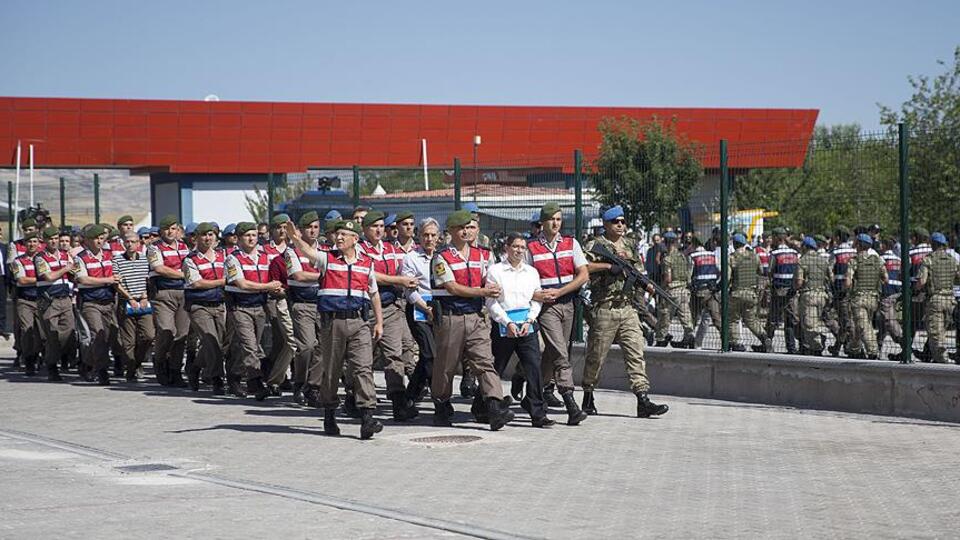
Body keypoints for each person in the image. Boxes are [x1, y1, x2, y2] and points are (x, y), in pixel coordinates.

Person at [285, 218, 385, 440]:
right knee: (331, 369)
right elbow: (308, 253)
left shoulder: (366, 263)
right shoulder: (327, 259)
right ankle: (329, 412)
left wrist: (379, 322)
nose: (338, 238)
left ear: (354, 239)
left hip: (359, 322)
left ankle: (367, 416)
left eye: (343, 235)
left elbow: (374, 293)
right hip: (332, 323)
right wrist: (295, 238)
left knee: (363, 368)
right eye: (337, 234)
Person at [430, 209, 514, 430]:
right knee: (446, 366)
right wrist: (483, 292)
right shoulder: (441, 257)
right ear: (451, 231)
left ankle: (495, 407)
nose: (466, 231)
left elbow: (490, 279)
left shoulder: (483, 254)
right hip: (451, 318)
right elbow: (452, 287)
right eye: (461, 228)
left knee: (485, 362)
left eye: (469, 227)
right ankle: (441, 403)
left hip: (477, 317)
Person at [583, 206, 669, 418]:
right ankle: (587, 396)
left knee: (636, 353)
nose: (620, 225)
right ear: (605, 224)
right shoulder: (596, 245)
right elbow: (583, 267)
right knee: (596, 356)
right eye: (615, 222)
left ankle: (642, 398)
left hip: (627, 307)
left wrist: (645, 284)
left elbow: (637, 271)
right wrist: (607, 267)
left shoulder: (630, 245)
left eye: (622, 221)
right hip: (604, 307)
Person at [525, 202, 589, 425]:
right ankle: (571, 402)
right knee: (561, 354)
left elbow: (583, 274)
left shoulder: (572, 244)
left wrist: (562, 290)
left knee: (553, 355)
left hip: (568, 303)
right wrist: (538, 295)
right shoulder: (530, 248)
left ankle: (533, 393)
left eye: (559, 219)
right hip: (547, 308)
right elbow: (523, 278)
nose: (555, 223)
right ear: (542, 222)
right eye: (551, 219)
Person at [487, 232, 554, 427]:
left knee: (533, 367)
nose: (519, 250)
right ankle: (483, 407)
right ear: (506, 248)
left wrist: (530, 320)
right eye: (515, 246)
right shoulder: (495, 271)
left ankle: (538, 413)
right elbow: (491, 302)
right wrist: (506, 322)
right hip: (504, 327)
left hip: (527, 326)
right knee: (495, 369)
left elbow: (536, 298)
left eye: (522, 247)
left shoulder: (531, 272)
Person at [358, 210, 419, 421]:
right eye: (374, 226)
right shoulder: (359, 250)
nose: (379, 230)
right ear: (365, 229)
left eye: (382, 226)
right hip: (366, 311)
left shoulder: (392, 250)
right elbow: (370, 274)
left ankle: (397, 401)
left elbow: (407, 270)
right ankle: (354, 396)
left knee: (394, 355)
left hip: (391, 308)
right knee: (362, 359)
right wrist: (399, 280)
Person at [224, 222, 283, 399]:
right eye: (247, 236)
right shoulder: (232, 259)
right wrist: (267, 286)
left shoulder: (266, 257)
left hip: (259, 306)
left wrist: (277, 288)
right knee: (250, 347)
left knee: (252, 347)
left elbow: (274, 279)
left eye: (254, 235)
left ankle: (234, 376)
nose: (251, 239)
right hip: (240, 307)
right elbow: (242, 283)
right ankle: (255, 383)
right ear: (239, 239)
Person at [73, 224, 121, 384]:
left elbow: (118, 273)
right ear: (87, 241)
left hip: (108, 301)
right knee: (98, 334)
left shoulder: (110, 255)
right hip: (90, 302)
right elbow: (83, 279)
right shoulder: (80, 258)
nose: (99, 241)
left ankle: (87, 363)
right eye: (95, 239)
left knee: (107, 337)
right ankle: (102, 371)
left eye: (102, 238)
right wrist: (107, 280)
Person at [182, 222, 227, 394]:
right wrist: (222, 282)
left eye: (211, 234)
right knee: (211, 341)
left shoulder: (223, 256)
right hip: (199, 306)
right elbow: (197, 283)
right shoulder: (190, 260)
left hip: (219, 304)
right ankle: (217, 379)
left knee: (219, 343)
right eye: (204, 235)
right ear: (196, 238)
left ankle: (195, 368)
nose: (208, 238)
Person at [147, 214, 191, 386]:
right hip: (163, 293)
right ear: (160, 231)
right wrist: (183, 274)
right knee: (166, 331)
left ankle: (175, 370)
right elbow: (159, 268)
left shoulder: (184, 246)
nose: (170, 232)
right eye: (167, 229)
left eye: (173, 228)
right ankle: (159, 362)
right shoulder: (154, 248)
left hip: (183, 292)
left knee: (181, 335)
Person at [400, 217, 439, 405]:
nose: (429, 239)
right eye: (425, 235)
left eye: (433, 235)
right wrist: (426, 308)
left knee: (428, 355)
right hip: (419, 309)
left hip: (440, 309)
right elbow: (410, 291)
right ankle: (439, 397)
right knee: (430, 353)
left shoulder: (443, 256)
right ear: (419, 236)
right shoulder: (411, 258)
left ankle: (410, 396)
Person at [284, 211, 322, 404]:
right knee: (307, 346)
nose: (313, 231)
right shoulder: (292, 251)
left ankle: (313, 386)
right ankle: (299, 381)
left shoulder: (324, 250)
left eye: (316, 227)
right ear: (300, 230)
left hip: (323, 303)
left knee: (323, 347)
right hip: (303, 304)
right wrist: (324, 275)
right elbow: (298, 275)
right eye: (309, 227)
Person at [34, 226, 77, 382]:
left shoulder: (66, 255)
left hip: (65, 298)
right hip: (49, 300)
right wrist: (65, 268)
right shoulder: (40, 257)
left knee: (69, 332)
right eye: (50, 239)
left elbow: (75, 272)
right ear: (45, 241)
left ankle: (59, 357)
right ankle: (52, 366)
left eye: (56, 238)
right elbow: (48, 276)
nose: (54, 241)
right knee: (52, 334)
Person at [261, 214, 296, 395]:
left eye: (286, 227)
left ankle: (287, 375)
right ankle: (275, 372)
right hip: (274, 298)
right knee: (280, 339)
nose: (282, 231)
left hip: (296, 299)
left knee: (292, 341)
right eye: (278, 227)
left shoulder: (299, 250)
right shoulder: (266, 251)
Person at [113, 232, 155, 381]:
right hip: (126, 302)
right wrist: (130, 298)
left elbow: (148, 280)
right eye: (127, 241)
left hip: (143, 301)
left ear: (139, 243)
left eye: (133, 241)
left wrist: (144, 296)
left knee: (148, 335)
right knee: (128, 340)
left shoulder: (145, 259)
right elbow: (116, 283)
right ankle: (131, 370)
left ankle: (137, 362)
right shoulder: (117, 260)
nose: (130, 244)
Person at [917, 232, 960, 363]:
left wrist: (916, 288)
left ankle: (943, 361)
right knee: (943, 331)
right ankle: (935, 356)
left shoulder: (928, 259)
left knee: (936, 333)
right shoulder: (953, 260)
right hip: (950, 300)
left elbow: (922, 282)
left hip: (935, 300)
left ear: (932, 244)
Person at [845, 234, 886, 359]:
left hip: (859, 298)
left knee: (863, 326)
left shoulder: (854, 260)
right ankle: (854, 349)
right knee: (861, 324)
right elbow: (886, 279)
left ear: (858, 245)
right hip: (873, 298)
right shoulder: (878, 260)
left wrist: (847, 290)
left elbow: (847, 282)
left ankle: (873, 351)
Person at [727, 233, 770, 353]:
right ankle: (765, 338)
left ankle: (736, 344)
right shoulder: (754, 256)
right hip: (751, 293)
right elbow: (761, 271)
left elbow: (727, 277)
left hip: (737, 293)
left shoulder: (732, 258)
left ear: (734, 244)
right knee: (751, 320)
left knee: (733, 319)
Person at [794, 236, 833, 356]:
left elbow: (799, 282)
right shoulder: (823, 260)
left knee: (809, 325)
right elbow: (831, 278)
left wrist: (796, 287)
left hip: (809, 295)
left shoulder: (802, 261)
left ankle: (817, 346)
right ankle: (811, 345)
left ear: (805, 247)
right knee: (813, 322)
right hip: (822, 295)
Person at [655, 231, 694, 348]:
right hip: (684, 289)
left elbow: (668, 278)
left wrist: (661, 288)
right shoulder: (683, 257)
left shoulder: (667, 259)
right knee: (685, 314)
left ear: (666, 243)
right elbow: (688, 275)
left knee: (665, 315)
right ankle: (689, 336)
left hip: (672, 290)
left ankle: (661, 338)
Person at [10, 232, 42, 376]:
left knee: (42, 333)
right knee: (27, 330)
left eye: (35, 241)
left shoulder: (43, 259)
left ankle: (37, 355)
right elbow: (21, 280)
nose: (32, 244)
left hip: (42, 300)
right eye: (29, 242)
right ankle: (28, 359)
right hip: (25, 300)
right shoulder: (18, 261)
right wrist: (43, 279)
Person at [766, 227, 800, 354]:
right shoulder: (795, 253)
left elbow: (769, 271)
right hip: (792, 291)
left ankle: (767, 343)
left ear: (776, 238)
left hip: (778, 290)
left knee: (773, 319)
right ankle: (792, 347)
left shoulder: (775, 254)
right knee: (790, 319)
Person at [825, 227, 856, 356]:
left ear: (837, 238)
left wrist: (832, 284)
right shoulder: (854, 251)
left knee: (845, 321)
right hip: (854, 290)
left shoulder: (836, 252)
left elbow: (830, 271)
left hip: (840, 290)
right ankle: (839, 346)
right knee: (849, 319)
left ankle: (851, 347)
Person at [688, 235, 722, 344]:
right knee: (716, 317)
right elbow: (720, 270)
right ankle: (727, 340)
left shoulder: (693, 256)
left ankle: (688, 340)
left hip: (697, 292)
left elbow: (689, 275)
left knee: (692, 317)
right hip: (711, 291)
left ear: (693, 244)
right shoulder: (712, 255)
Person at [878, 237, 905, 361]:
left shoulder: (882, 259)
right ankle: (877, 347)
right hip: (898, 292)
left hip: (886, 293)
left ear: (884, 245)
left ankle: (904, 342)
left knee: (889, 321)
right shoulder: (899, 259)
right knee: (883, 321)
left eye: (881, 245)